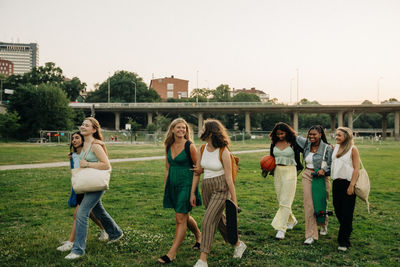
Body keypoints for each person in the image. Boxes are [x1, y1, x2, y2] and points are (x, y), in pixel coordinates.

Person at [65, 117, 123, 260]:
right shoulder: (84, 144)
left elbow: (106, 165)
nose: (83, 126)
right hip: (88, 183)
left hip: (96, 184)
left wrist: (88, 165)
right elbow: (82, 159)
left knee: (82, 213)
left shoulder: (96, 145)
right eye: (82, 124)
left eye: (87, 125)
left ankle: (78, 250)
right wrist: (74, 155)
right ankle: (116, 233)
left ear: (94, 129)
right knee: (99, 211)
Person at [190, 119, 246, 267]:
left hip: (221, 188)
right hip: (206, 187)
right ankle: (238, 244)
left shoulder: (224, 152)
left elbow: (229, 178)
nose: (200, 131)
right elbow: (197, 173)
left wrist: (234, 200)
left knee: (208, 220)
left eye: (203, 129)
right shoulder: (201, 149)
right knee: (219, 221)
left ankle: (203, 259)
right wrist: (192, 193)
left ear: (210, 132)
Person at [158, 118, 202, 264]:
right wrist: (166, 186)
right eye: (178, 127)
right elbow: (167, 167)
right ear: (172, 129)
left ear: (186, 131)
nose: (181, 130)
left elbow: (198, 169)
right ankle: (199, 237)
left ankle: (172, 253)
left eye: (184, 128)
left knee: (180, 218)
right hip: (173, 184)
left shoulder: (190, 146)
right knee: (184, 216)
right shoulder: (168, 145)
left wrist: (193, 192)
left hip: (187, 184)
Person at [57, 132, 108, 252]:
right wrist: (72, 190)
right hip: (80, 187)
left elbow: (103, 161)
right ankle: (105, 230)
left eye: (77, 138)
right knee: (90, 213)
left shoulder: (87, 154)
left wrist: (102, 145)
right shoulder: (73, 156)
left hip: (90, 186)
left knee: (78, 214)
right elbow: (75, 173)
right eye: (73, 138)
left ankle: (71, 242)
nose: (74, 140)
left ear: (83, 140)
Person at [296, 125, 332, 245]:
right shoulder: (306, 145)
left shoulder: (327, 148)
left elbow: (332, 165)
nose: (311, 137)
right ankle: (310, 235)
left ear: (320, 135)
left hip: (321, 177)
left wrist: (325, 170)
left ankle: (323, 223)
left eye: (314, 134)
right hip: (308, 175)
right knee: (309, 205)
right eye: (310, 134)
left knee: (321, 203)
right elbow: (295, 136)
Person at [268, 122, 303, 240]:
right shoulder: (274, 143)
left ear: (287, 132)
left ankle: (281, 229)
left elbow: (308, 149)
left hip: (290, 171)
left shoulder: (294, 143)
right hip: (278, 171)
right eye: (277, 134)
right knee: (281, 200)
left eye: (282, 133)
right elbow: (270, 158)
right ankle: (292, 220)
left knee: (286, 200)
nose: (280, 136)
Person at [331, 127, 360, 251]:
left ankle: (343, 241)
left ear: (346, 137)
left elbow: (356, 169)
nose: (337, 137)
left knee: (347, 212)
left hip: (348, 183)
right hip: (336, 183)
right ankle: (347, 228)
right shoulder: (336, 147)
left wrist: (351, 185)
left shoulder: (353, 149)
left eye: (339, 135)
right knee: (338, 210)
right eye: (336, 135)